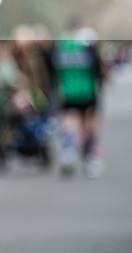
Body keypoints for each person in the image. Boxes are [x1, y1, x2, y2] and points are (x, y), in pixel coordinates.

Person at [52, 21, 106, 178]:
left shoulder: (61, 45)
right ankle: (92, 158)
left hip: (67, 90)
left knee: (69, 120)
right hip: (87, 90)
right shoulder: (87, 43)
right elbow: (98, 68)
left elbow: (54, 68)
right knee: (90, 123)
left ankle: (68, 152)